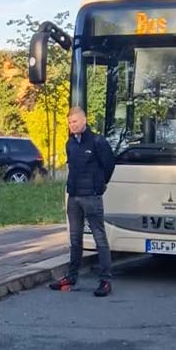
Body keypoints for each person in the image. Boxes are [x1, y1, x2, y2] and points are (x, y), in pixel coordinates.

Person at [50, 107, 116, 297]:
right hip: (74, 196)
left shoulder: (97, 141)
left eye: (75, 121)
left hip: (92, 196)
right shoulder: (70, 143)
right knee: (75, 239)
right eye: (70, 122)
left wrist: (99, 185)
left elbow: (109, 165)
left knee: (99, 238)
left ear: (84, 120)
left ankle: (105, 280)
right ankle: (71, 277)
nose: (72, 125)